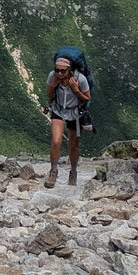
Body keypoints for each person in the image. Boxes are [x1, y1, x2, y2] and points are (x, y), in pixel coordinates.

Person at [43, 54, 90, 188]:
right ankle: (53, 171)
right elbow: (49, 95)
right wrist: (52, 86)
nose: (59, 73)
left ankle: (73, 172)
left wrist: (75, 90)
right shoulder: (53, 76)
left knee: (73, 144)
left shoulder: (80, 79)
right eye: (57, 70)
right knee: (56, 141)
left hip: (75, 112)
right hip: (57, 110)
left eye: (63, 71)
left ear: (70, 69)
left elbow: (87, 98)